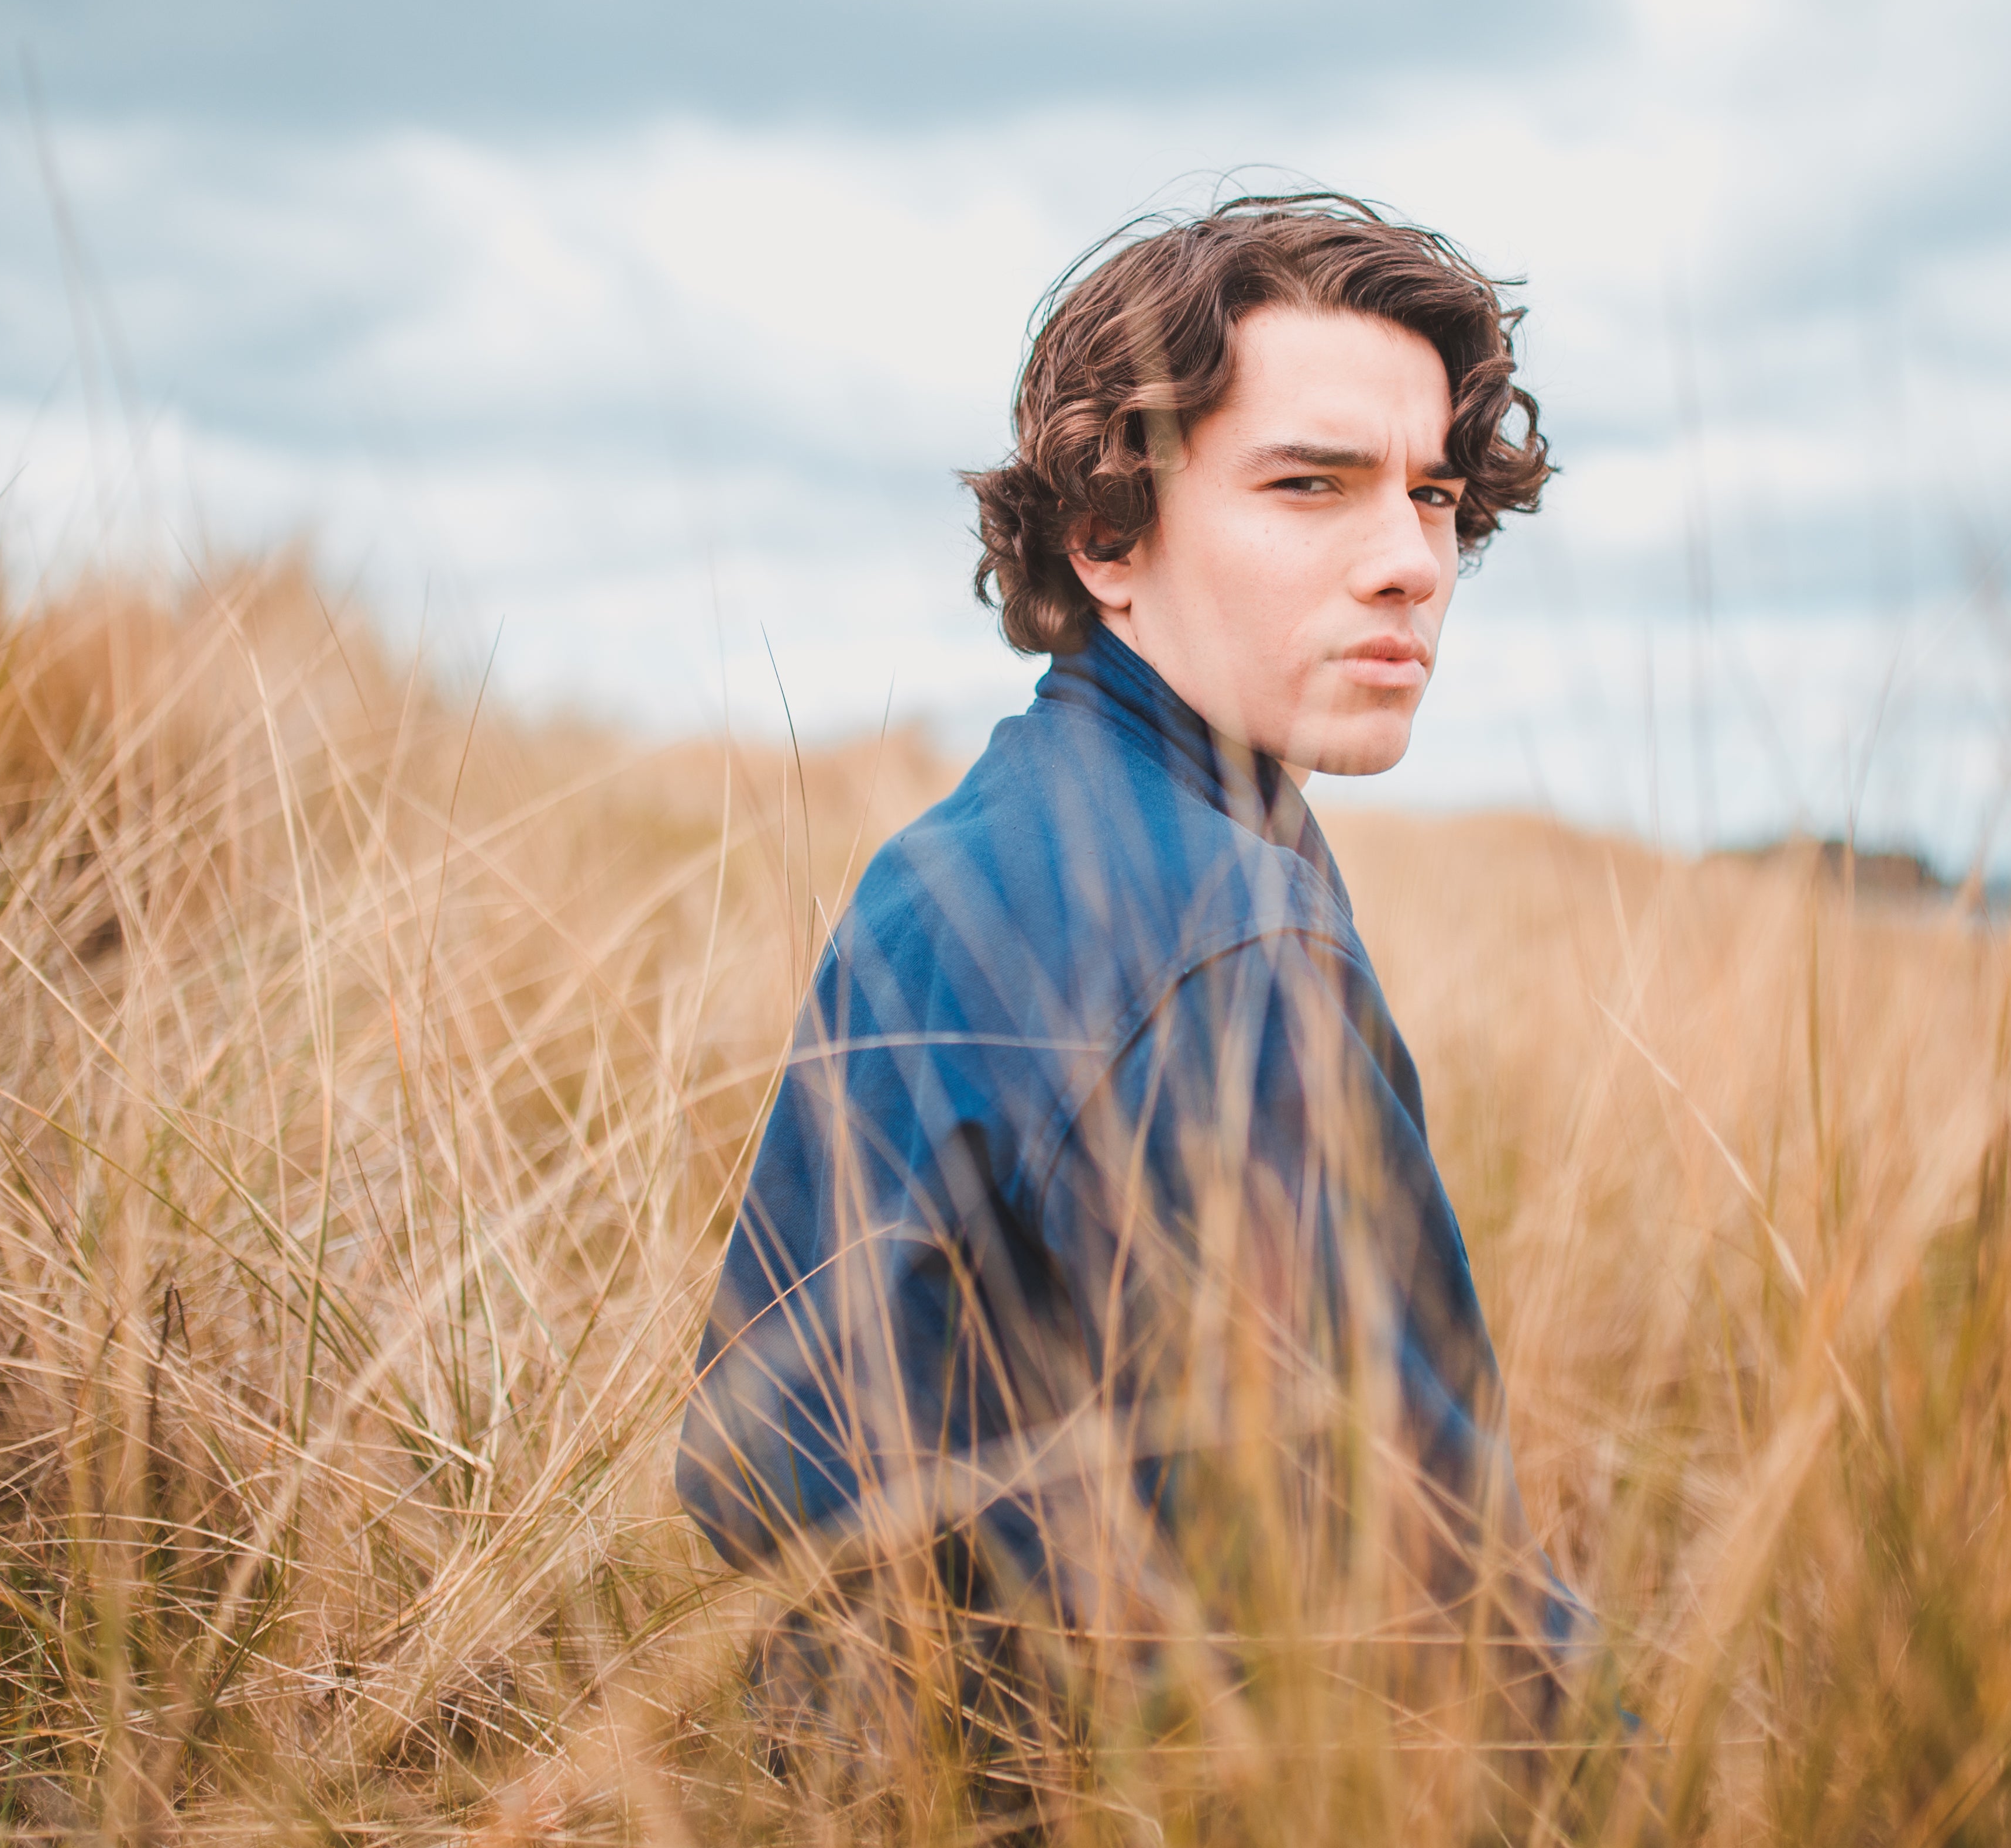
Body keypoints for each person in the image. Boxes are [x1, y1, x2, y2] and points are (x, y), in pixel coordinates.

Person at [675, 190, 1584, 1807]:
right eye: (1310, 486)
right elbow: (1443, 1618)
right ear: (1109, 536)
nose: (1410, 565)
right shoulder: (1218, 942)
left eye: (1434, 495)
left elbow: (746, 1463)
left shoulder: (981, 835)